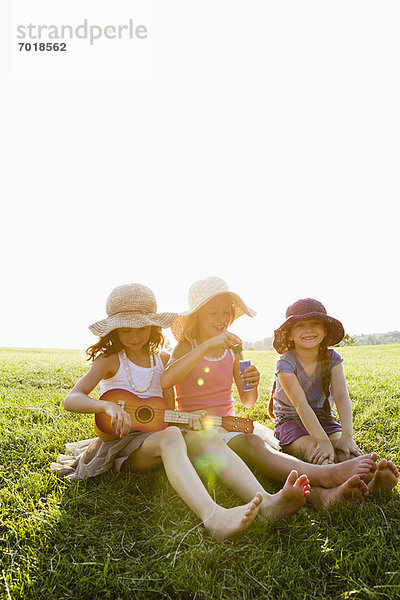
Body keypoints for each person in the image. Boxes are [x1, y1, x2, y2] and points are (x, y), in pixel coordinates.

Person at [52, 283, 310, 541]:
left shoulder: (162, 360)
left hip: (155, 439)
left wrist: (189, 424)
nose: (133, 336)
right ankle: (213, 517)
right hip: (123, 447)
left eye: (141, 327)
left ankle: (265, 503)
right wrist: (105, 405)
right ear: (114, 330)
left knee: (203, 435)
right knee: (172, 437)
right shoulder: (110, 360)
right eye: (125, 330)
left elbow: (169, 413)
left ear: (153, 325)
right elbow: (71, 399)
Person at [161, 277, 385, 508]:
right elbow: (167, 379)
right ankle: (325, 475)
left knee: (265, 453)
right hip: (198, 427)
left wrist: (252, 383)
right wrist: (207, 345)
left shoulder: (233, 349)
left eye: (226, 312)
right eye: (212, 313)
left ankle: (322, 496)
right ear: (197, 316)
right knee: (254, 447)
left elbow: (248, 401)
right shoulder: (187, 346)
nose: (221, 319)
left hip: (229, 424)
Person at [268, 297, 399, 492]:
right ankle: (336, 490)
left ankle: (373, 483)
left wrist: (346, 435)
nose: (309, 330)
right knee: (319, 453)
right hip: (291, 422)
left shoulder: (332, 359)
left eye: (315, 324)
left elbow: (341, 396)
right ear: (289, 335)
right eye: (301, 325)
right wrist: (322, 441)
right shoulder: (285, 364)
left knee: (346, 451)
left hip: (324, 418)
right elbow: (300, 405)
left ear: (325, 331)